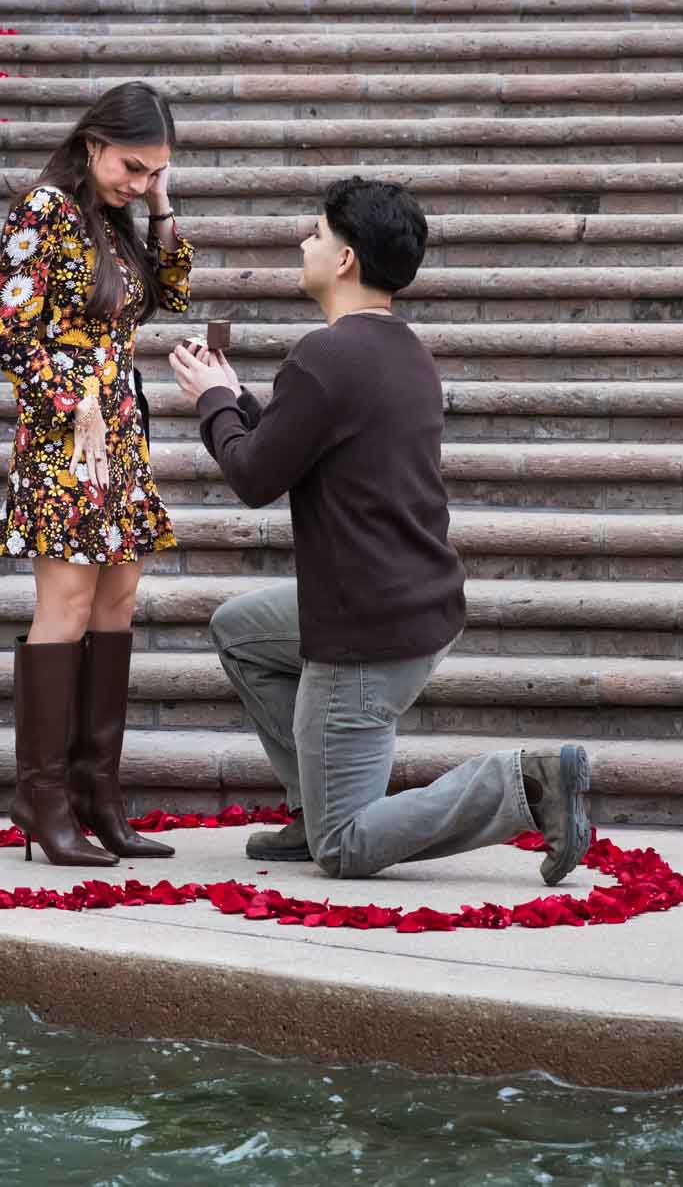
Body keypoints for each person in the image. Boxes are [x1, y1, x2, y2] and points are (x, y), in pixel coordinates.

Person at [167, 177, 592, 885]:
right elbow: (295, 438)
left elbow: (252, 477)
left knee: (347, 845)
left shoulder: (324, 358)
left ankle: (527, 782)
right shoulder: (402, 351)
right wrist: (235, 397)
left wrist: (212, 404)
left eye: (316, 234)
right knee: (241, 630)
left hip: (364, 632)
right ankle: (315, 799)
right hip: (413, 602)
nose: (304, 243)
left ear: (344, 260)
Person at [0, 81, 193, 866]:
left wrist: (159, 207)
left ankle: (96, 794)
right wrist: (66, 401)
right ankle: (41, 798)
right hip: (63, 438)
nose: (140, 182)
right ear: (93, 142)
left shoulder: (116, 219)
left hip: (123, 435)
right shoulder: (45, 209)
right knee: (68, 602)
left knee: (119, 598)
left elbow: (170, 292)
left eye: (155, 172)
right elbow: (6, 325)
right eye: (133, 166)